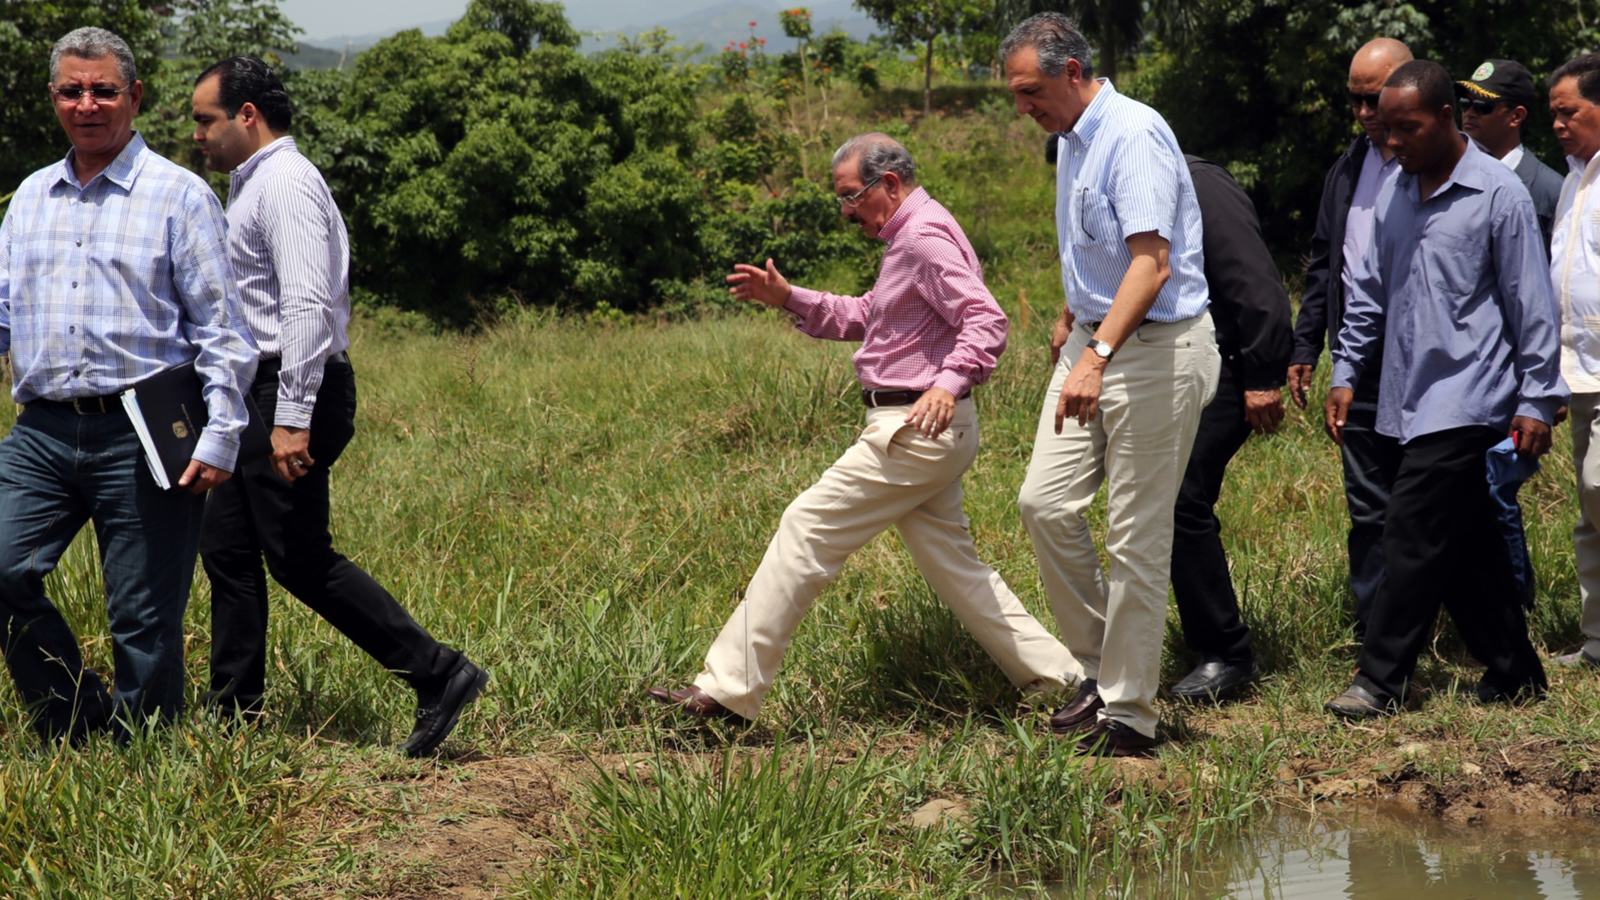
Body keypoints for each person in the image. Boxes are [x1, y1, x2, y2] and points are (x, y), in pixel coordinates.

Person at [648, 133, 1083, 725]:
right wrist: (788, 296)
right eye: (842, 199)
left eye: (852, 196)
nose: (847, 211)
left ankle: (728, 693)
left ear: (891, 184)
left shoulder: (924, 238)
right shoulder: (911, 234)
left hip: (913, 426)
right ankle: (1064, 682)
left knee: (806, 526)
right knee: (957, 569)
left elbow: (985, 319)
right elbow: (870, 316)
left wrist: (946, 383)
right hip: (927, 428)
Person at [190, 57, 487, 756]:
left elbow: (305, 303)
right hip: (260, 389)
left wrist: (293, 413)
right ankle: (235, 715)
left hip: (292, 386)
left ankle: (438, 672)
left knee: (297, 555)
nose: (197, 133)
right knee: (227, 551)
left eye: (206, 119)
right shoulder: (254, 184)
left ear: (248, 116)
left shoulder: (285, 183)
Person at [0, 27, 258, 743]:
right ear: (53, 98)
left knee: (142, 617)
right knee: (4, 570)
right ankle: (74, 720)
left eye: (104, 89)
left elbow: (222, 330)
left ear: (135, 96)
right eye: (72, 90)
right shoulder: (30, 197)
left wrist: (222, 433)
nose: (88, 104)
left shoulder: (179, 196)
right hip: (43, 430)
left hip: (143, 431)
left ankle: (144, 754)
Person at [1005, 13, 1220, 758]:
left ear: (1072, 73)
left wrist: (1097, 353)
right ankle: (1101, 668)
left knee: (1136, 535)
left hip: (1156, 349)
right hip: (1096, 341)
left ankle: (1130, 716)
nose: (1021, 105)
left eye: (1030, 90)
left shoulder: (1132, 134)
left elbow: (1150, 263)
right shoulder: (1071, 141)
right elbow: (1092, 249)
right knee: (1044, 503)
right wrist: (1073, 317)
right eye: (1014, 92)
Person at [1323, 60, 1563, 719]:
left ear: (1448, 119)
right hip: (1407, 397)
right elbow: (1368, 292)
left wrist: (1537, 397)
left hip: (1470, 397)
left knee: (1407, 530)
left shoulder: (1496, 195)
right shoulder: (1398, 191)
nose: (1392, 141)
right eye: (1386, 128)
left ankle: (1380, 680)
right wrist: (1346, 372)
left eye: (1407, 127)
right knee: (1464, 544)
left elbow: (1531, 303)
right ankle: (1517, 673)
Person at [1288, 38, 1411, 640]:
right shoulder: (1347, 168)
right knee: (1368, 509)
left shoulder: (1448, 169)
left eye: (1374, 98)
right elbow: (1324, 265)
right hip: (1358, 363)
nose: (1364, 112)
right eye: (1354, 100)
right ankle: (1378, 638)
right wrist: (1308, 345)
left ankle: (1483, 626)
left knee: (1441, 503)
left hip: (1429, 365)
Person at [1166, 155, 1292, 701]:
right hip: (1164, 364)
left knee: (1181, 496)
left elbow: (1251, 275)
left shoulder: (1197, 180)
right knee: (1164, 499)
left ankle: (1227, 652)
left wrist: (1262, 373)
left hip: (1228, 364)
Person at [1547, 52, 1600, 671]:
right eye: (1555, 113)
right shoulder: (1572, 178)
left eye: (1570, 112)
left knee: (1599, 487)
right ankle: (1596, 641)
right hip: (1577, 368)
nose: (1558, 124)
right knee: (1590, 512)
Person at [1458, 58, 1564, 250]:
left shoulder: (1551, 192)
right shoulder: (1453, 177)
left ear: (1516, 116)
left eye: (1483, 106)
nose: (1470, 113)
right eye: (1465, 103)